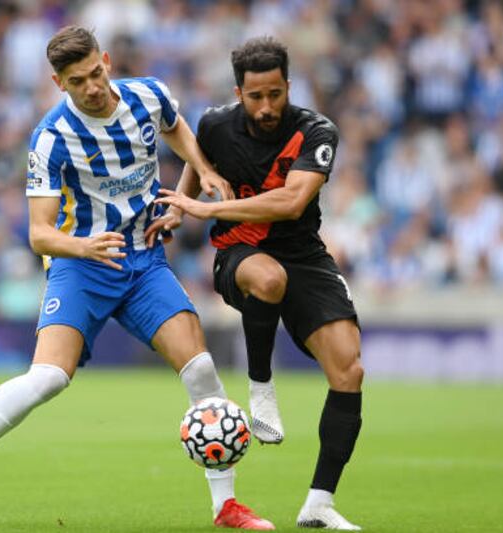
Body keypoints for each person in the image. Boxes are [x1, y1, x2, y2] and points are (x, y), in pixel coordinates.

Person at [0, 26, 273, 531]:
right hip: (80, 266)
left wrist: (200, 169)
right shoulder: (51, 138)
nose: (92, 87)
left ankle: (225, 507)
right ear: (59, 83)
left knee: (201, 368)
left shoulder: (148, 95)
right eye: (78, 81)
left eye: (96, 73)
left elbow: (175, 125)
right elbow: (39, 235)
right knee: (48, 378)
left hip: (142, 261)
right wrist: (84, 246)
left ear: (107, 61)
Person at [151, 37, 364, 530]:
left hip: (304, 253)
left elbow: (291, 203)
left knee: (349, 371)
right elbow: (197, 159)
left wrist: (209, 208)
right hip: (240, 254)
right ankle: (260, 386)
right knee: (268, 279)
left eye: (275, 94)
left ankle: (319, 503)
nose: (266, 107)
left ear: (287, 86)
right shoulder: (215, 124)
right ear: (238, 92)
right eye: (255, 97)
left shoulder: (316, 131)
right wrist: (180, 209)